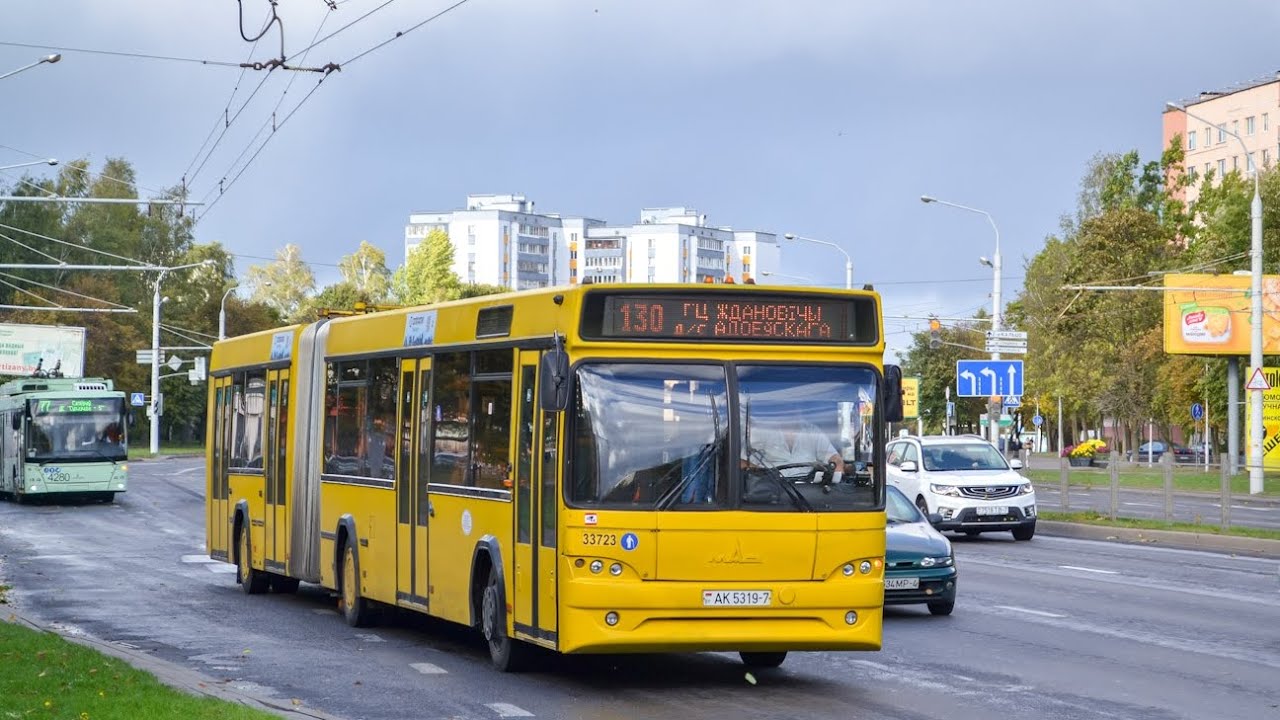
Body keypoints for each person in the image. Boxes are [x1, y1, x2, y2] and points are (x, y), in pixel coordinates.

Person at [745, 411, 844, 480]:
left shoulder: (812, 431)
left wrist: (837, 472)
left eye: (795, 406)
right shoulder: (762, 431)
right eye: (787, 406)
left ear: (800, 410)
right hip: (769, 491)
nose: (790, 411)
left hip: (808, 491)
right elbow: (741, 461)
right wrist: (761, 474)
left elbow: (834, 458)